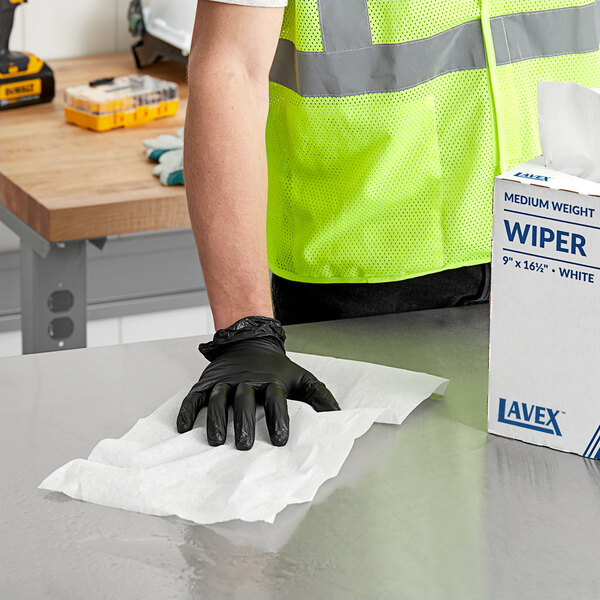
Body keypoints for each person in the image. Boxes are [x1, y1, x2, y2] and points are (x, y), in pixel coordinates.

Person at [176, 0, 600, 449]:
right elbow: (231, 70)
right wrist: (246, 330)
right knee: (372, 506)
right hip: (364, 281)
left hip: (572, 247)